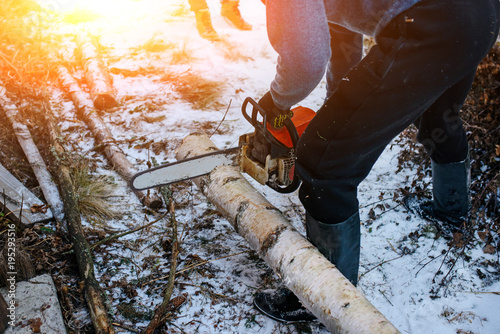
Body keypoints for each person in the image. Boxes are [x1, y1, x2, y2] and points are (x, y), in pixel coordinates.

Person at [253, 0, 500, 323]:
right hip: (478, 17)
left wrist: (277, 100)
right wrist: (338, 110)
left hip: (428, 23)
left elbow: (305, 60)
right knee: (441, 118)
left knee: (322, 162)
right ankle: (453, 212)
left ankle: (324, 297)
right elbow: (340, 37)